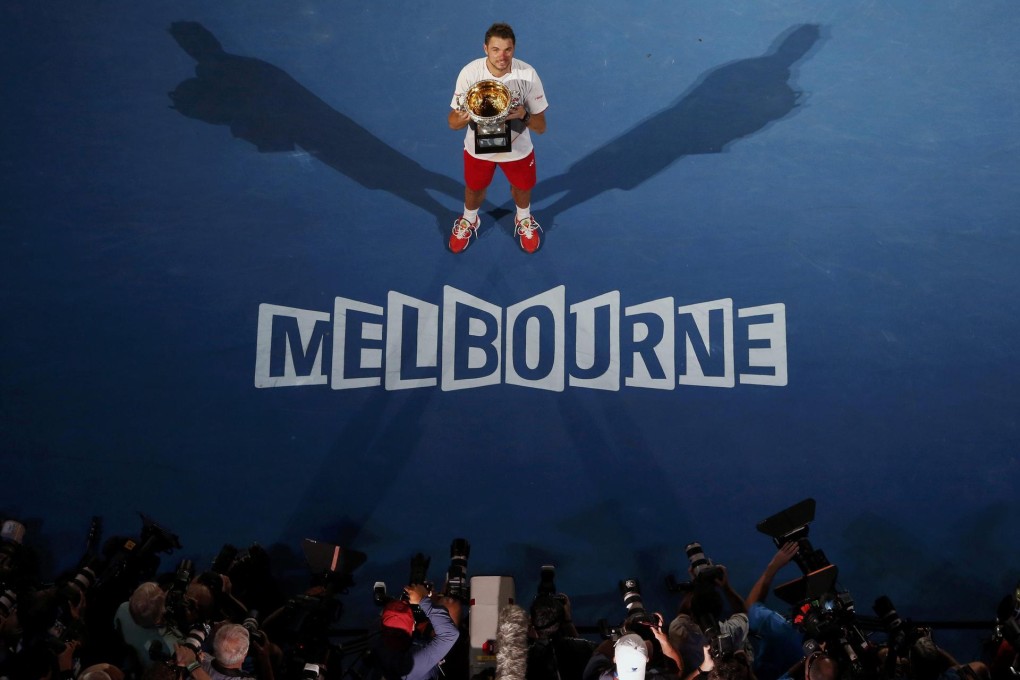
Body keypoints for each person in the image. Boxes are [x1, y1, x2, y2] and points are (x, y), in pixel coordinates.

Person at [448, 22, 549, 254]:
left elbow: (541, 127)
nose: (502, 56)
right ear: (485, 48)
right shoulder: (470, 73)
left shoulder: (528, 75)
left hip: (517, 148)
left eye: (508, 49)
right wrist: (464, 117)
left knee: (522, 188)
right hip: (478, 147)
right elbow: (452, 123)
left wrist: (523, 115)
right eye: (495, 49)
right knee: (474, 188)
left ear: (514, 49)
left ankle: (523, 219)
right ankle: (470, 219)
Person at [375, 584, 459, 680]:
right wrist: (423, 600)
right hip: (436, 667)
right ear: (413, 626)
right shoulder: (409, 666)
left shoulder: (378, 643)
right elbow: (450, 634)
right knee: (451, 604)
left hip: (416, 646)